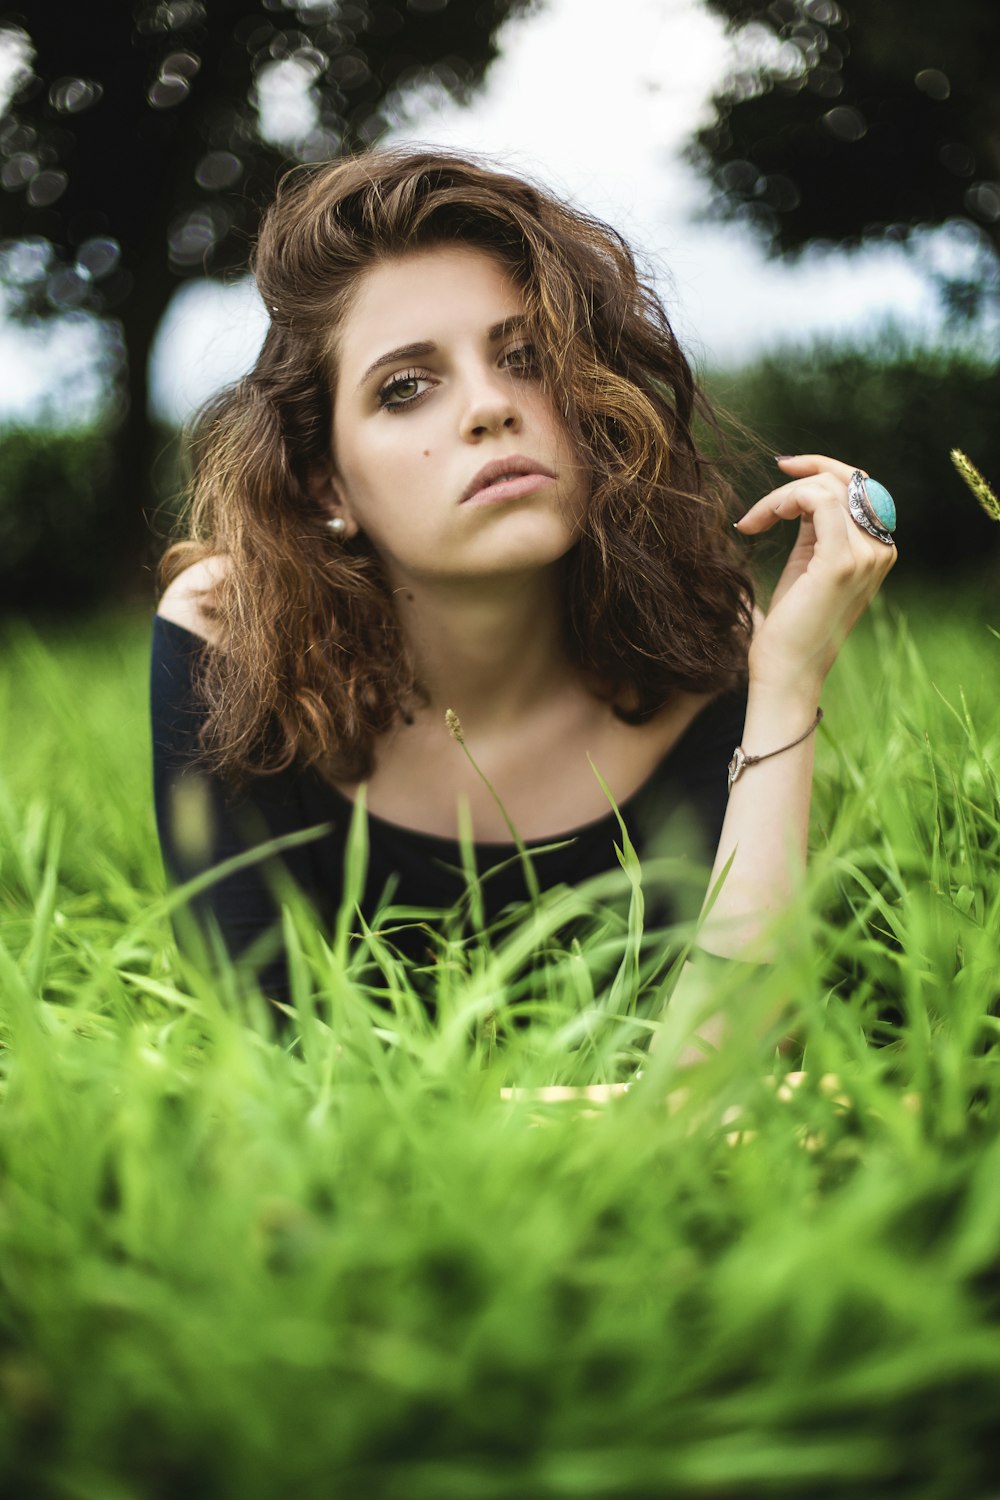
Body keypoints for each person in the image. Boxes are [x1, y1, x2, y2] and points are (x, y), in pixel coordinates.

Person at [151, 147, 896, 1036]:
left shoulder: (703, 646)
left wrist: (786, 686)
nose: (489, 406)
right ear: (326, 487)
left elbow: (729, 1069)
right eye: (404, 388)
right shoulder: (229, 637)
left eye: (526, 358)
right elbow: (273, 1073)